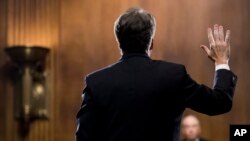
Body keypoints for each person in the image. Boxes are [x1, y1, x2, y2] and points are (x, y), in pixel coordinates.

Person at [76, 7, 237, 141]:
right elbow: (219, 103)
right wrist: (221, 61)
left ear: (119, 42)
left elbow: (84, 137)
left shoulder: (96, 82)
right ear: (151, 43)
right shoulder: (173, 76)